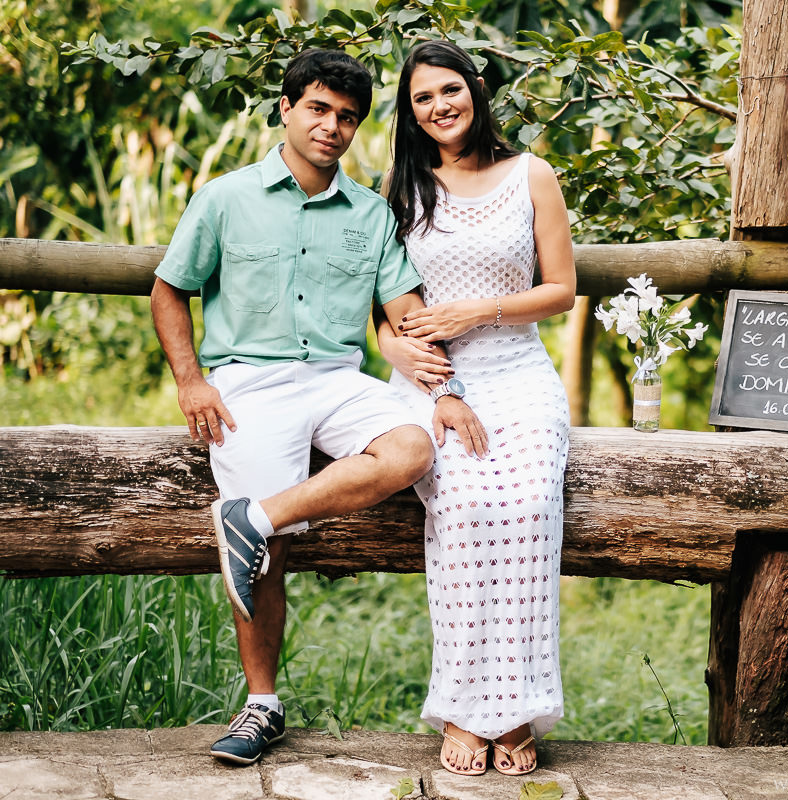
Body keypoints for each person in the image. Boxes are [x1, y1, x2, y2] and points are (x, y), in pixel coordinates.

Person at [150, 48, 483, 767]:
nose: (332, 127)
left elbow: (406, 313)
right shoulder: (225, 196)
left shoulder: (371, 215)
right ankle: (261, 705)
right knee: (264, 563)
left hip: (338, 379)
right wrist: (191, 380)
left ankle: (255, 517)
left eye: (348, 118)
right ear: (287, 109)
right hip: (247, 383)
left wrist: (446, 391)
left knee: (413, 446)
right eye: (319, 109)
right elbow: (170, 289)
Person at [377, 40, 576, 777]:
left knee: (527, 506)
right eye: (423, 98)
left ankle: (518, 709)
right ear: (411, 111)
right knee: (460, 508)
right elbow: (383, 305)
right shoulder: (401, 186)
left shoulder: (531, 175)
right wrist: (399, 352)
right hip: (433, 377)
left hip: (518, 371)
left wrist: (480, 313)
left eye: (450, 90)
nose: (440, 106)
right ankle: (463, 708)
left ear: (476, 90)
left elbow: (560, 290)